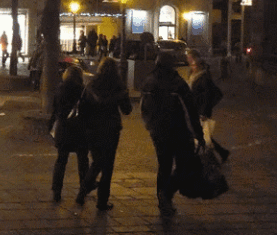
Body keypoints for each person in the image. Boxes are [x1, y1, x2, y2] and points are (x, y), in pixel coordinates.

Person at [141, 52, 204, 216]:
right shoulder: (177, 84)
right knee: (184, 165)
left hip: (158, 132)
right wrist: (199, 134)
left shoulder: (149, 81)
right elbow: (190, 111)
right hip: (178, 132)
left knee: (164, 166)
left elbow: (144, 108)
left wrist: (150, 125)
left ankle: (163, 199)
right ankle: (166, 195)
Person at [76, 56, 132, 211]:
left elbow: (83, 107)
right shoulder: (118, 86)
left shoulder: (92, 84)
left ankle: (82, 192)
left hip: (92, 128)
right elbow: (127, 110)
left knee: (97, 162)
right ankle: (102, 201)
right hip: (110, 129)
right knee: (108, 166)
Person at [48, 65, 89, 203]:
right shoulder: (82, 90)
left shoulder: (60, 89)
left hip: (63, 128)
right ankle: (82, 193)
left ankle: (56, 191)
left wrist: (51, 126)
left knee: (61, 160)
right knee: (82, 161)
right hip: (79, 129)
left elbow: (54, 110)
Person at [187, 49, 229, 163]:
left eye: (191, 58)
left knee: (201, 135)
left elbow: (206, 96)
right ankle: (221, 152)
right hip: (194, 108)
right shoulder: (192, 73)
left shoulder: (203, 77)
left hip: (201, 110)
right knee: (202, 135)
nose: (189, 60)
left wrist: (203, 112)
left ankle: (213, 157)